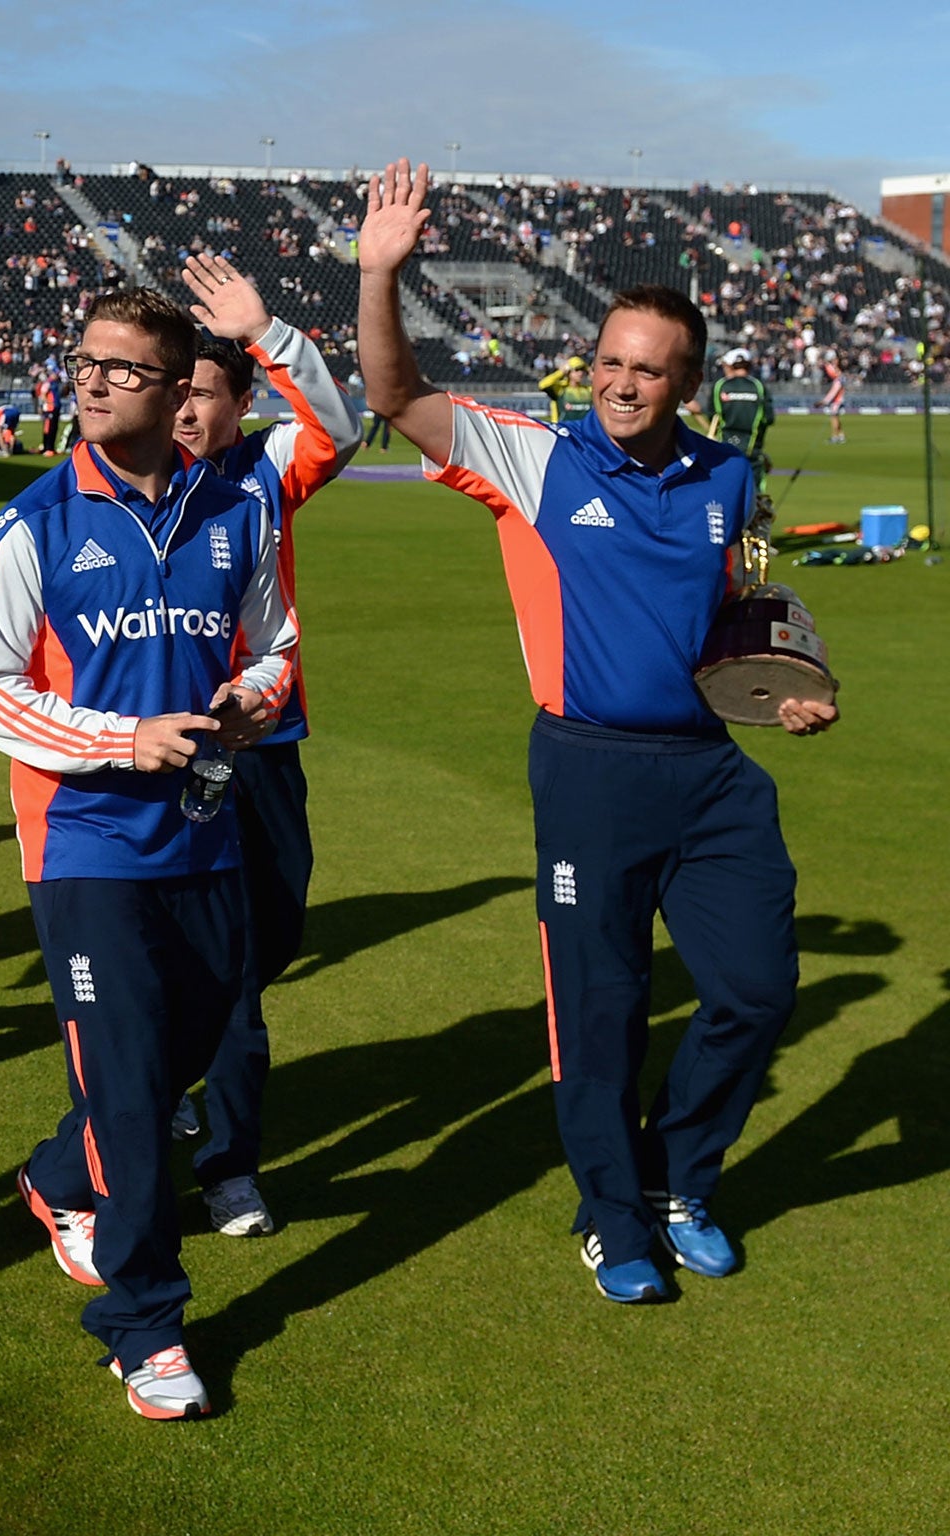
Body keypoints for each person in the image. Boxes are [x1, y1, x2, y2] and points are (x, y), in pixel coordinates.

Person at [355, 159, 838, 1303]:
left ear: (685, 382)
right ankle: (613, 1215)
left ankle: (679, 1179)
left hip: (710, 777)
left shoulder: (726, 479)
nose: (621, 383)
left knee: (757, 991)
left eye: (646, 369)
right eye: (610, 362)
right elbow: (392, 395)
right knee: (602, 1010)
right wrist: (378, 274)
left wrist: (783, 689)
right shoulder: (533, 458)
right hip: (587, 772)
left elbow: (732, 614)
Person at [0, 287, 296, 1420]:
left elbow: (273, 645)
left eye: (122, 369)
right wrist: (120, 741)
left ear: (178, 394)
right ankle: (143, 1323)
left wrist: (248, 701)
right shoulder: (33, 524)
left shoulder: (236, 515)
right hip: (86, 848)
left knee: (181, 1055)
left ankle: (55, 1180)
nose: (92, 381)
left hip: (203, 841)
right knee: (136, 1097)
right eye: (84, 362)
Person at [167, 253, 362, 1236]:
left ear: (241, 401)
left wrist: (265, 331)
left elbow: (340, 425)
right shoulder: (134, 480)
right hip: (174, 753)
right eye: (177, 393)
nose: (186, 412)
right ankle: (225, 1165)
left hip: (267, 742)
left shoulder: (262, 473)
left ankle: (169, 1062)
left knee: (277, 926)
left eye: (204, 394)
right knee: (234, 972)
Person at [701, 348, 774, 493]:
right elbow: (768, 418)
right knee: (756, 497)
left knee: (726, 493)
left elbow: (713, 416)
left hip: (724, 451)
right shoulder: (759, 387)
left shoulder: (720, 386)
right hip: (753, 450)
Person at [538, 355, 591, 424]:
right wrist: (560, 372)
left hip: (583, 431)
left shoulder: (588, 390)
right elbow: (542, 385)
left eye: (582, 370)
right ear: (568, 371)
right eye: (577, 370)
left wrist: (591, 372)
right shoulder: (560, 389)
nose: (580, 373)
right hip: (563, 430)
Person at [34, 368, 63, 454]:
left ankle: (51, 447)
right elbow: (42, 394)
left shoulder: (55, 383)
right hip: (50, 409)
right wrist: (48, 403)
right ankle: (47, 448)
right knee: (49, 428)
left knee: (54, 428)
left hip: (55, 408)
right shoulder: (48, 383)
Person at [819, 355, 846, 443]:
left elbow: (834, 392)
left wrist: (824, 401)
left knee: (834, 418)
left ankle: (835, 436)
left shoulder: (838, 377)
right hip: (838, 399)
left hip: (837, 400)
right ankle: (841, 435)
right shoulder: (839, 376)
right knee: (836, 418)